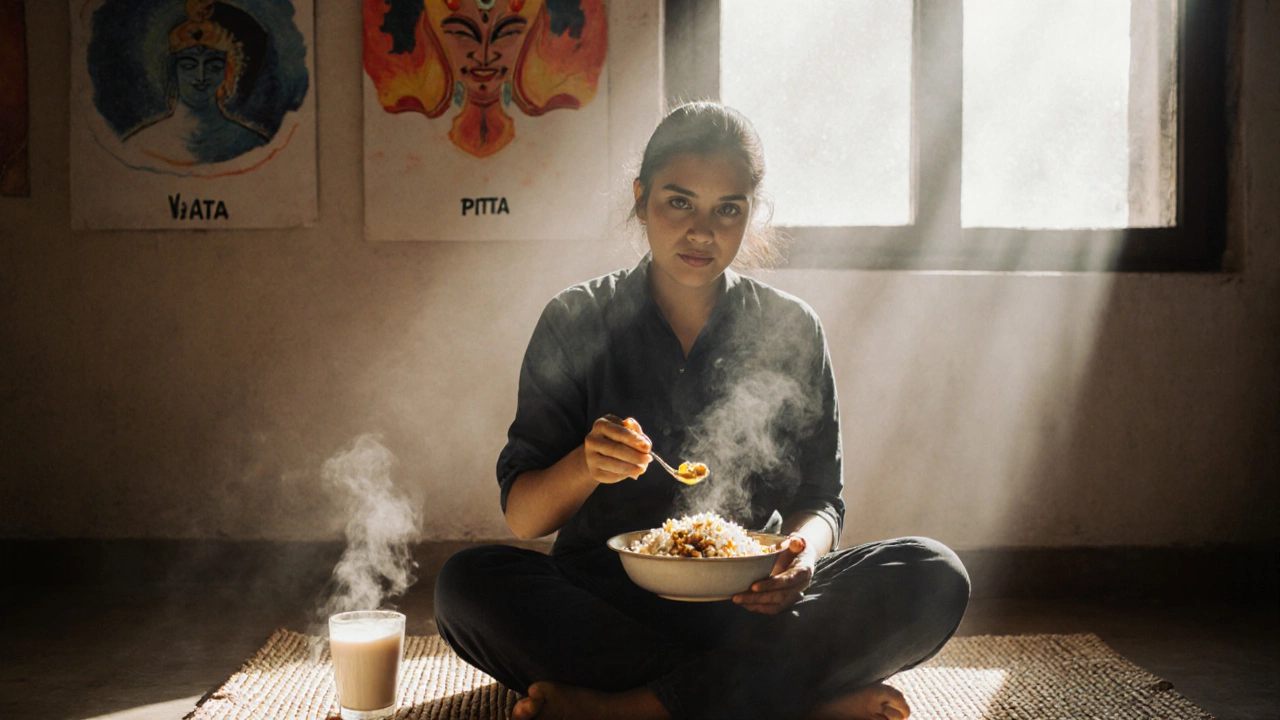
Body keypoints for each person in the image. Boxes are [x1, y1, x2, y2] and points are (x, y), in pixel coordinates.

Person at [434, 102, 970, 720]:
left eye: (728, 210)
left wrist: (800, 555)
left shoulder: (792, 327)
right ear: (641, 200)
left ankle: (635, 709)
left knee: (933, 571)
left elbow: (823, 500)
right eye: (679, 202)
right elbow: (524, 518)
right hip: (608, 605)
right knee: (466, 583)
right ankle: (789, 697)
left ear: (751, 214)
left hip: (754, 604)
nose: (702, 232)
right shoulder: (575, 319)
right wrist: (585, 464)